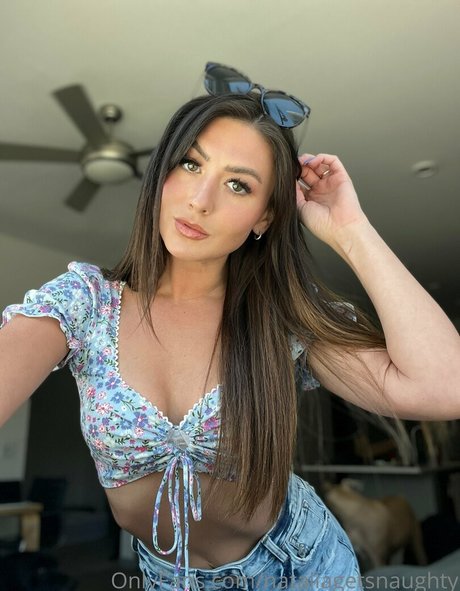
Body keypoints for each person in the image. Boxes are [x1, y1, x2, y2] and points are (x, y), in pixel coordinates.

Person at [1, 63, 459, 591]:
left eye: (238, 185)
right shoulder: (85, 303)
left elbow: (445, 386)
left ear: (264, 217)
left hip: (303, 565)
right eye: (191, 164)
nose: (201, 200)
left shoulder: (278, 318)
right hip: (170, 580)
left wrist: (352, 230)